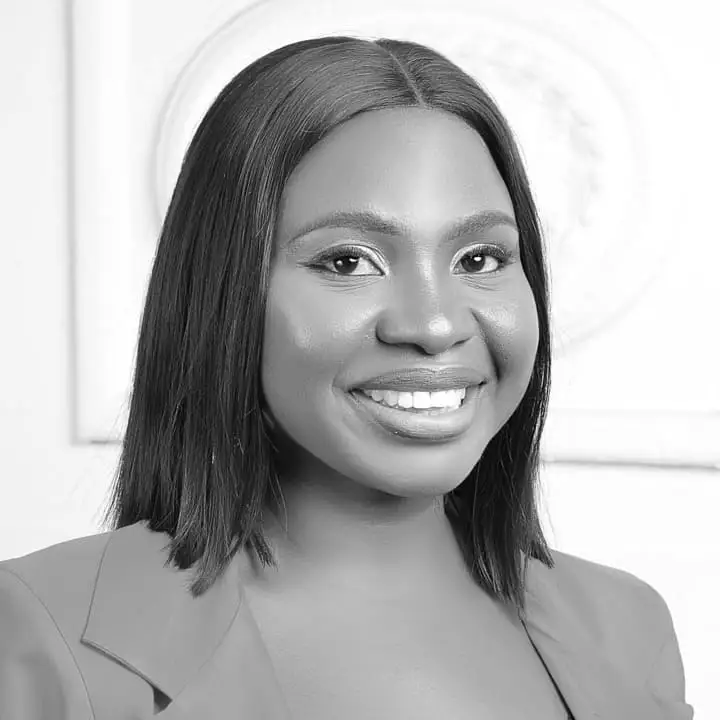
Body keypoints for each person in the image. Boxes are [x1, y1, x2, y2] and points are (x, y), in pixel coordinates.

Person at [0, 35, 692, 719]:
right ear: (225, 293)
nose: (434, 324)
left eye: (480, 259)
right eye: (348, 261)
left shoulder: (628, 632)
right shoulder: (43, 631)